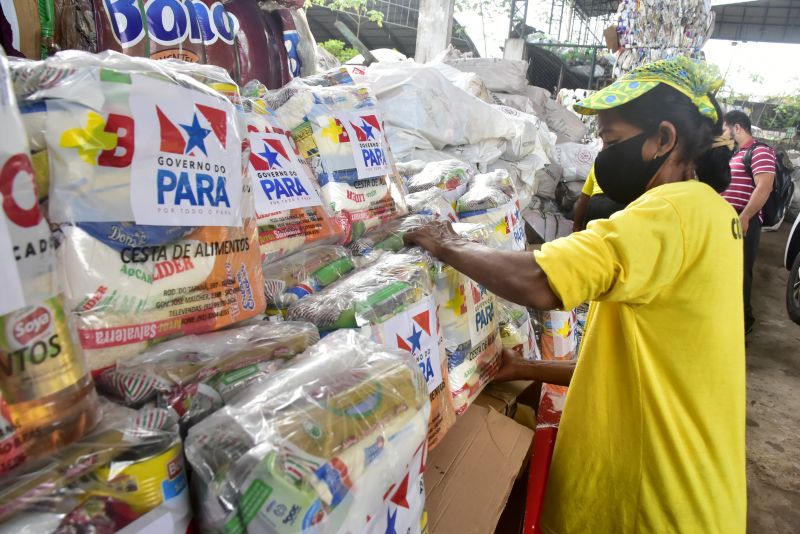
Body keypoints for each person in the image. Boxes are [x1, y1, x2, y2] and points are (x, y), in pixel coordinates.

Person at [405, 57, 745, 533]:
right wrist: (522, 367)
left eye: (609, 140)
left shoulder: (669, 210)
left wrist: (445, 241)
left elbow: (540, 283)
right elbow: (644, 366)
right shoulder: (714, 213)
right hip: (693, 489)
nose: (601, 155)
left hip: (645, 503)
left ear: (663, 139)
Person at [721, 110, 777, 334]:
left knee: (740, 272)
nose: (723, 134)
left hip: (744, 221)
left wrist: (745, 216)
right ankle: (730, 320)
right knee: (727, 271)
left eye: (725, 129)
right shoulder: (736, 154)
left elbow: (764, 187)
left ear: (737, 128)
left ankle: (743, 323)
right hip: (730, 219)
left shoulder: (760, 151)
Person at [572, 165, 627, 231]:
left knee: (592, 237)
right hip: (619, 204)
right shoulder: (635, 164)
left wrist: (577, 226)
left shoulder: (598, 164)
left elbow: (584, 198)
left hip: (596, 203)